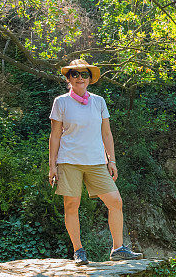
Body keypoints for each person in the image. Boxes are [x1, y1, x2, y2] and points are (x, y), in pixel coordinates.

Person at [48, 58, 142, 265]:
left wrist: (112, 160)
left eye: (84, 74)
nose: (80, 78)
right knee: (71, 205)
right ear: (68, 78)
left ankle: (118, 249)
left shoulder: (99, 101)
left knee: (115, 202)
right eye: (75, 74)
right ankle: (78, 251)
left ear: (90, 79)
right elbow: (54, 136)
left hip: (97, 161)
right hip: (69, 160)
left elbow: (107, 134)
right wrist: (52, 166)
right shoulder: (61, 102)